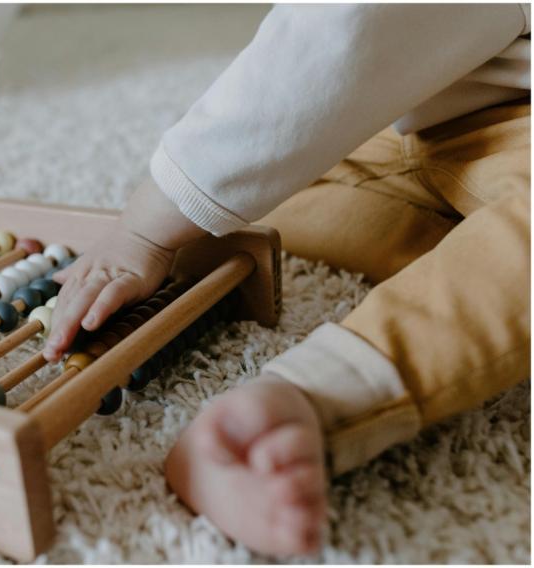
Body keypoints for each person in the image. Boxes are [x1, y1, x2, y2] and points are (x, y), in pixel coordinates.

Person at [42, 4, 531, 555]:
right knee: (261, 189)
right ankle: (481, 260)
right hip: (421, 99)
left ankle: (319, 388)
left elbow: (350, 26)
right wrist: (167, 215)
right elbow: (303, 79)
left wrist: (144, 230)